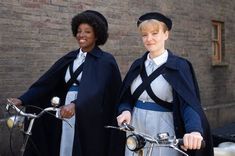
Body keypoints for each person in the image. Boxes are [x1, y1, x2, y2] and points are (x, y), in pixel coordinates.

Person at [8, 10, 123, 156]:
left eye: (87, 31)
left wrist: (76, 104)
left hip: (90, 115)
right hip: (65, 111)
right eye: (79, 31)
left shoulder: (105, 60)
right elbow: (46, 83)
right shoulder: (70, 57)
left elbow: (98, 91)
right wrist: (22, 99)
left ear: (97, 35)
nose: (81, 35)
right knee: (65, 144)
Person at [116, 12, 214, 156]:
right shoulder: (137, 65)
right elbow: (126, 98)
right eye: (144, 35)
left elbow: (189, 104)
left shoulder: (180, 66)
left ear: (166, 34)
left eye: (155, 33)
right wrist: (125, 110)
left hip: (164, 130)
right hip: (136, 130)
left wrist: (194, 131)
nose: (149, 39)